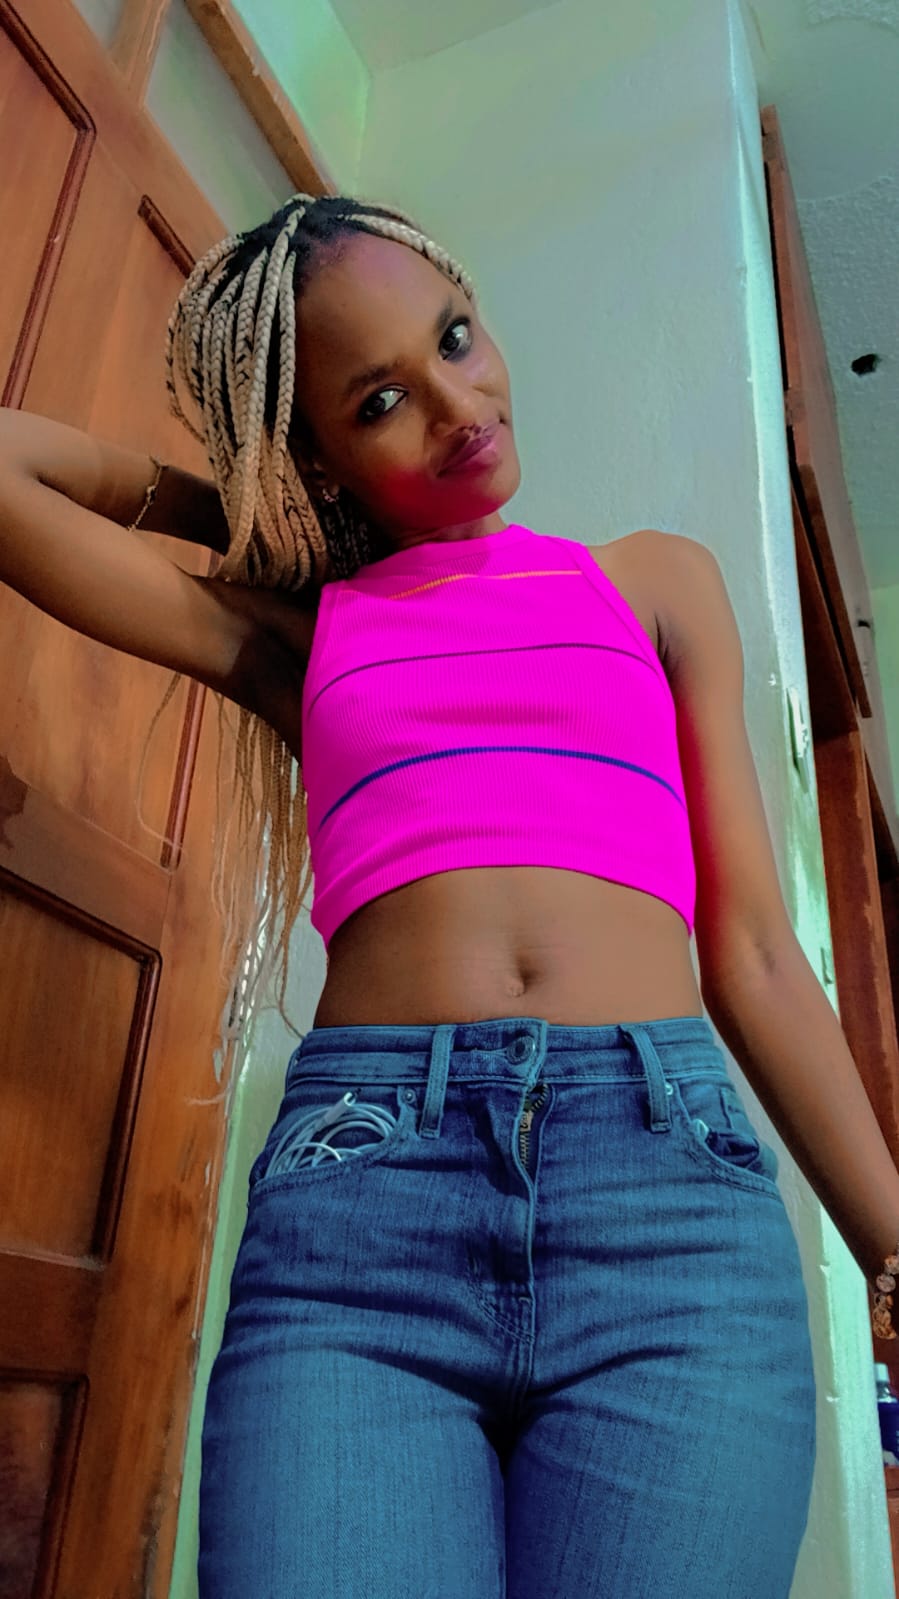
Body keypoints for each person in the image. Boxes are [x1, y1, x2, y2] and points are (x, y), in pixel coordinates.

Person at [5, 189, 893, 1598]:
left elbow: (755, 954)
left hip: (666, 1215)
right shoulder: (299, 634)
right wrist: (245, 513)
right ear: (321, 456)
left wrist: (894, 1249)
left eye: (456, 339)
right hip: (367, 1220)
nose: (456, 405)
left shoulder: (658, 586)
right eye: (380, 402)